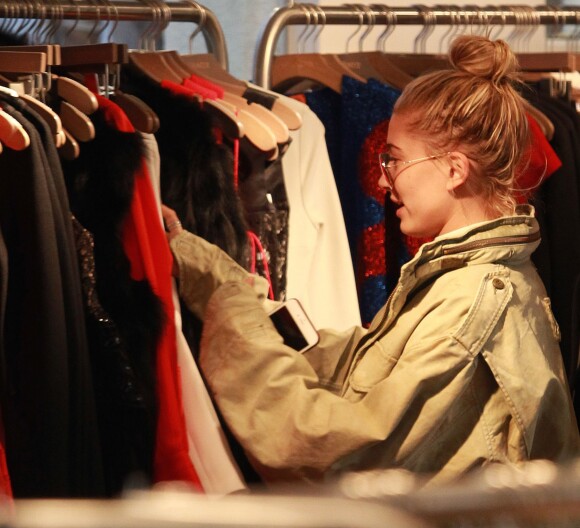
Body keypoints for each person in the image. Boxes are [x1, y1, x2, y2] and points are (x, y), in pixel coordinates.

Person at [162, 35, 580, 485]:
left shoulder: (474, 301)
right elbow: (359, 364)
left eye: (393, 159)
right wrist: (216, 275)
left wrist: (228, 302)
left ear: (455, 169)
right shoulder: (471, 278)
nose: (382, 181)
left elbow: (335, 447)